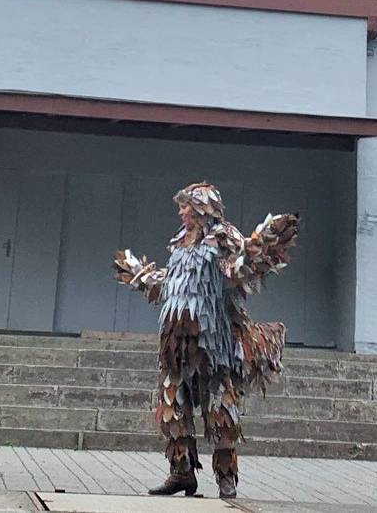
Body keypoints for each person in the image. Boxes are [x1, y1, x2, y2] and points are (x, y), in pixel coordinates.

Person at [113, 181, 300, 499]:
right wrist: (141, 275)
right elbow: (170, 285)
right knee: (173, 407)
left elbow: (240, 270)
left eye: (186, 206)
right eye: (181, 206)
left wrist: (263, 247)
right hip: (176, 345)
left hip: (214, 347)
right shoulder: (179, 244)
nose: (181, 211)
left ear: (202, 209)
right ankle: (182, 474)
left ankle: (226, 478)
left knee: (221, 411)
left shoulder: (222, 239)